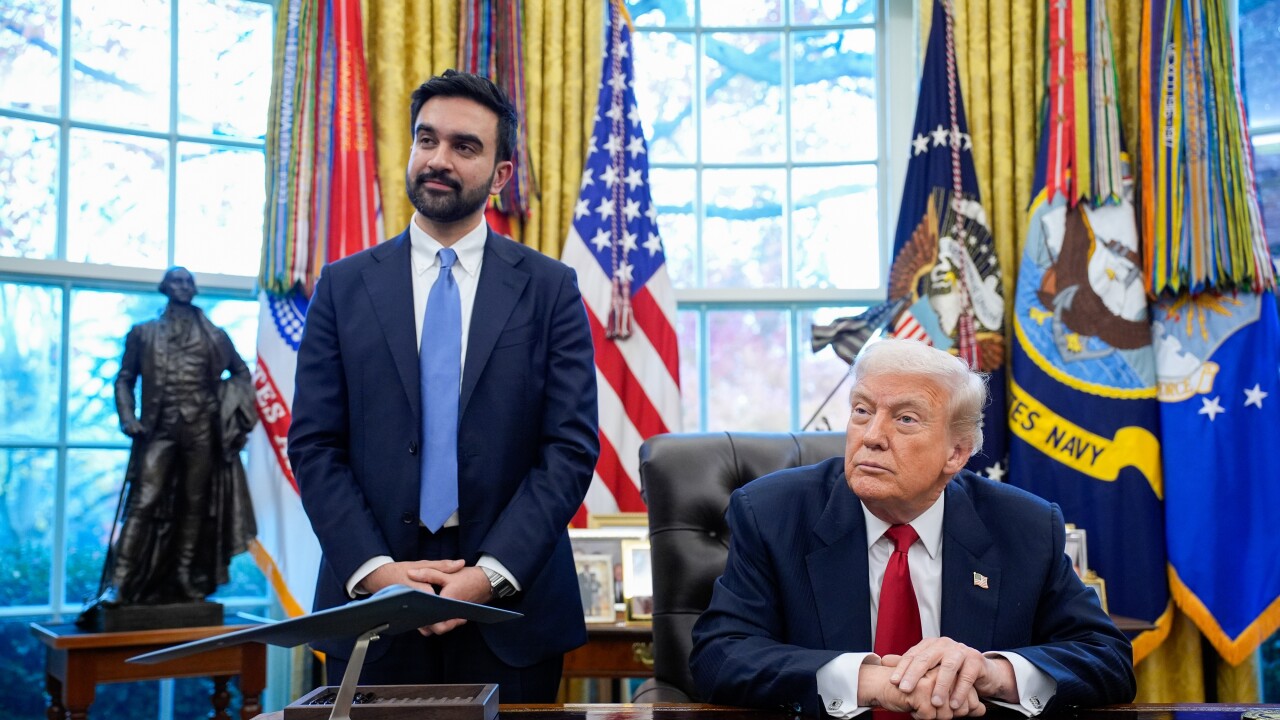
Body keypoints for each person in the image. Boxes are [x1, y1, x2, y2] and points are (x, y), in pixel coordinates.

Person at [288, 69, 599, 702]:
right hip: (372, 607)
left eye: (465, 146)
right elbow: (315, 445)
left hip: (511, 610)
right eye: (426, 139)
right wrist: (377, 573)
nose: (439, 159)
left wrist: (490, 576)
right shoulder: (343, 287)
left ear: (501, 173)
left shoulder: (550, 289)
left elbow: (568, 448)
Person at [689, 338, 1135, 718]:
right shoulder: (771, 513)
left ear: (956, 454)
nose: (872, 435)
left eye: (905, 419)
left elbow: (1108, 658)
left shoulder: (1026, 526)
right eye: (862, 410)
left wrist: (990, 673)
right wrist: (870, 682)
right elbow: (719, 656)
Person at [95, 266, 257, 608]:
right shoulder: (143, 333)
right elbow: (124, 378)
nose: (184, 287)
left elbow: (242, 374)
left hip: (201, 431)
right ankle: (119, 583)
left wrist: (224, 405)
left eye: (188, 282)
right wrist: (128, 418)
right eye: (177, 281)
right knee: (143, 502)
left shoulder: (215, 335)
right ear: (165, 287)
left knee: (194, 504)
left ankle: (185, 576)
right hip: (159, 430)